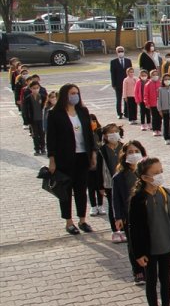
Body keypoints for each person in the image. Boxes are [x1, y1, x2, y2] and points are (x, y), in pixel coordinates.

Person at [129, 157, 170, 306]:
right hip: (149, 249)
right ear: (145, 177)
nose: (160, 175)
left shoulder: (166, 194)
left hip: (166, 244)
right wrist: (138, 253)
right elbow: (134, 229)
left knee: (165, 279)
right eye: (156, 173)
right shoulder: (138, 199)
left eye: (161, 171)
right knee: (151, 281)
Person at [46, 84, 97, 235]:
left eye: (77, 93)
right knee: (66, 191)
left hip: (82, 156)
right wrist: (52, 159)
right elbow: (51, 138)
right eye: (71, 93)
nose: (75, 95)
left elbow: (89, 134)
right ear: (64, 95)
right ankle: (69, 222)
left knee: (81, 189)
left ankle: (82, 219)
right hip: (65, 158)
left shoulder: (82, 111)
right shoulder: (55, 114)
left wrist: (93, 153)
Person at [112, 141, 147, 283]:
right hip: (129, 216)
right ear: (124, 155)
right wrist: (118, 217)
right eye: (130, 152)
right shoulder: (119, 177)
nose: (134, 154)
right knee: (133, 244)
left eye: (136, 151)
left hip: (147, 213)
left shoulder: (146, 172)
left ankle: (147, 267)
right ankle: (137, 271)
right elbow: (116, 199)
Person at [98, 124, 124, 237]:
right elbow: (99, 170)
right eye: (110, 132)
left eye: (115, 131)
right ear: (105, 136)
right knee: (113, 205)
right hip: (109, 183)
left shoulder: (124, 147)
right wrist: (100, 186)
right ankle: (115, 230)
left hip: (123, 181)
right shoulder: (102, 150)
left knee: (124, 205)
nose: (114, 134)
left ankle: (124, 229)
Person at [22, 81, 47, 155]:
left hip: (41, 119)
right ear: (30, 88)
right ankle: (37, 149)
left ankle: (43, 148)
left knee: (42, 134)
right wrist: (26, 121)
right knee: (35, 134)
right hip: (33, 120)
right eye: (34, 88)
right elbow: (25, 110)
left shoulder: (43, 97)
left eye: (37, 88)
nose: (36, 90)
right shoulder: (28, 98)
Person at [110, 47, 133, 119]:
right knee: (119, 99)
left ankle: (127, 113)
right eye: (119, 51)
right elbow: (112, 74)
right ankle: (119, 113)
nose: (120, 52)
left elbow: (131, 72)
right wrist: (113, 84)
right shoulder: (113, 62)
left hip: (127, 83)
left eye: (122, 51)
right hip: (118, 84)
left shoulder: (128, 61)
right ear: (116, 52)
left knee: (127, 98)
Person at [158, 74, 170, 144]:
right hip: (164, 109)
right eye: (165, 79)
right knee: (166, 124)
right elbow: (158, 100)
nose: (167, 81)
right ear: (163, 81)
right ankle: (166, 137)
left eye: (168, 79)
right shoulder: (160, 89)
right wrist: (159, 109)